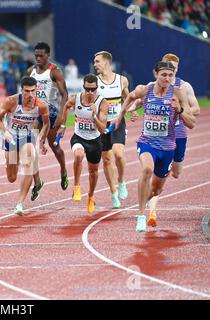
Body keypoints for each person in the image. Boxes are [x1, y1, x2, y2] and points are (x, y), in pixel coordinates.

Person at [114, 61, 195, 232]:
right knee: (146, 169)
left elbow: (191, 123)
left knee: (156, 189)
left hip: (167, 148)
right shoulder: (146, 89)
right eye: (163, 75)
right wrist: (120, 116)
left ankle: (144, 200)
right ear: (156, 74)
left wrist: (179, 110)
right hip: (147, 142)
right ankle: (141, 215)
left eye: (170, 75)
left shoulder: (178, 93)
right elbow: (130, 96)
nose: (167, 78)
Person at [0, 76, 50, 216]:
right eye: (27, 91)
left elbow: (46, 124)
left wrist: (42, 139)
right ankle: (36, 179)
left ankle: (19, 204)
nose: (30, 95)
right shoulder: (11, 101)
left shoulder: (41, 105)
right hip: (11, 137)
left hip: (28, 137)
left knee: (28, 164)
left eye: (33, 91)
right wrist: (4, 132)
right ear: (21, 90)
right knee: (11, 177)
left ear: (36, 89)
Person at [57, 74, 109, 214]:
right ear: (83, 87)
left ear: (97, 88)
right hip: (79, 137)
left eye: (93, 90)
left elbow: (102, 129)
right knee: (78, 155)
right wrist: (62, 125)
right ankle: (77, 187)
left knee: (93, 171)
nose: (90, 92)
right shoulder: (76, 99)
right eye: (87, 89)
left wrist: (94, 115)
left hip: (95, 141)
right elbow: (66, 106)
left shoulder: (102, 103)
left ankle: (91, 196)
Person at [28, 42, 69, 200]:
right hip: (34, 113)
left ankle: (63, 171)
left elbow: (64, 94)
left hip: (51, 113)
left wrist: (61, 115)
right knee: (29, 148)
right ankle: (37, 181)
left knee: (55, 147)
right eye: (36, 55)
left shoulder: (55, 72)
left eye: (41, 55)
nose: (38, 58)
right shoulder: (30, 71)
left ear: (47, 55)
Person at [94, 51, 130, 208]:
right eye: (94, 62)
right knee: (107, 159)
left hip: (117, 122)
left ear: (107, 62)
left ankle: (121, 181)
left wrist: (133, 110)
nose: (95, 64)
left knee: (119, 154)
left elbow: (128, 98)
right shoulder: (94, 82)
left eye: (97, 61)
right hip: (102, 125)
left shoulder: (122, 80)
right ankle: (113, 192)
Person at [161, 53, 200, 179]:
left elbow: (196, 109)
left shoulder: (184, 86)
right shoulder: (155, 86)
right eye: (171, 66)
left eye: (176, 67)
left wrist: (180, 111)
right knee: (157, 168)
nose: (174, 70)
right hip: (159, 132)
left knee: (176, 173)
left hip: (178, 132)